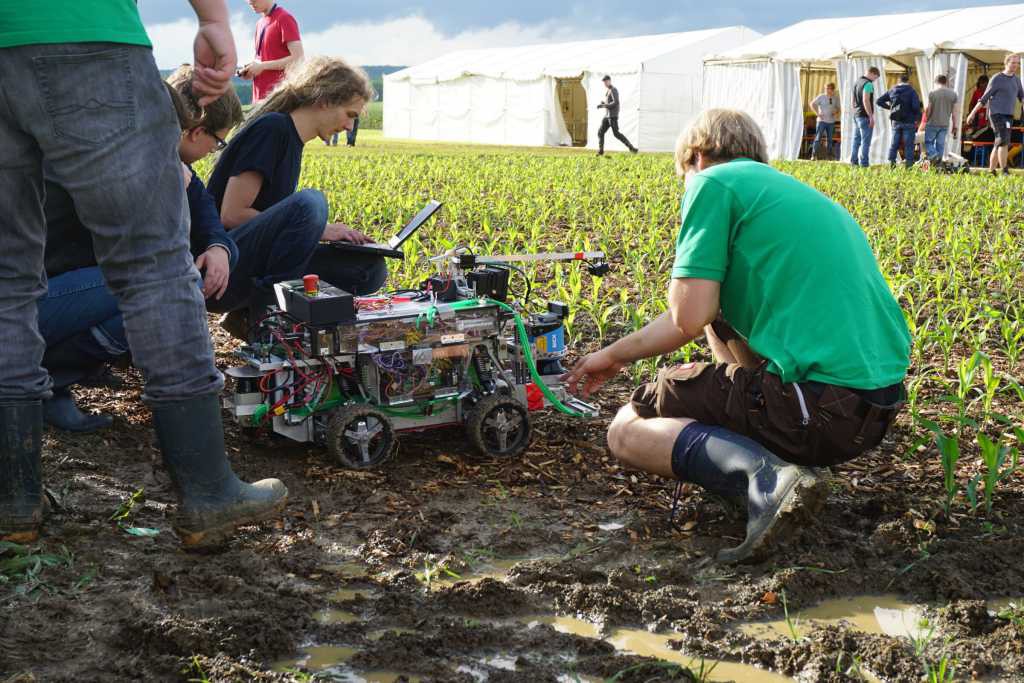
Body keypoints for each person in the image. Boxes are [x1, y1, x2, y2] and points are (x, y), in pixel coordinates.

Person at [563, 109, 910, 563]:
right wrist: (616, 354)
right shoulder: (792, 195)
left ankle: (766, 479)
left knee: (627, 427)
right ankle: (770, 462)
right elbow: (706, 316)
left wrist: (613, 357)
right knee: (721, 319)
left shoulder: (713, 183)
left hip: (815, 408)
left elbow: (687, 314)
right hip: (871, 411)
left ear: (698, 157)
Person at [0, 0, 287, 547]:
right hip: (84, 37)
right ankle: (207, 492)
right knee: (154, 267)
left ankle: (12, 503)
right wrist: (213, 21)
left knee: (5, 279)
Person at [39, 68, 246, 433]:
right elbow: (145, 246)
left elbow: (204, 215)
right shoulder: (77, 163)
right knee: (159, 284)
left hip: (59, 292)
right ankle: (44, 379)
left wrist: (217, 247)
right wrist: (163, 191)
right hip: (30, 300)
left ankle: (58, 377)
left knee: (166, 284)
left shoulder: (154, 165)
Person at [207, 56, 387, 334]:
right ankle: (268, 318)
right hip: (221, 268)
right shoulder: (273, 130)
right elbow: (231, 214)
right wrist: (319, 228)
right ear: (324, 100)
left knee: (368, 269)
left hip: (249, 260)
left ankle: (244, 316)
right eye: (350, 115)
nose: (350, 128)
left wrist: (321, 231)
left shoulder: (293, 140)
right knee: (311, 203)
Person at [966, 54, 1023, 175]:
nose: (1015, 65)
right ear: (1006, 63)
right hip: (996, 114)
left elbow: (1022, 98)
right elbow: (984, 98)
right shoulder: (997, 78)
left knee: (1000, 142)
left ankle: (991, 171)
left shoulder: (1017, 80)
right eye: (1013, 63)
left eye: (1017, 63)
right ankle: (1004, 170)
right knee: (1003, 140)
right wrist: (972, 114)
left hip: (1008, 115)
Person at [239, 0, 304, 102]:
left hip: (279, 99)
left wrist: (262, 66)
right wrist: (252, 69)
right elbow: (263, 58)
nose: (250, 2)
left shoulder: (284, 18)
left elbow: (298, 59)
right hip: (259, 100)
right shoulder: (259, 23)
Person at [877, 74, 922, 168]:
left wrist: (891, 108)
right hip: (909, 121)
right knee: (909, 144)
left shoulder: (892, 90)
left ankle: (891, 164)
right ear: (908, 81)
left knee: (894, 143)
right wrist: (917, 117)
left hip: (896, 121)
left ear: (899, 81)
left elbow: (879, 101)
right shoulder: (912, 91)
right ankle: (909, 166)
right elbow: (916, 107)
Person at [596, 75, 638, 155]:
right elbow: (610, 103)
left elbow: (616, 102)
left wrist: (604, 105)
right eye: (604, 82)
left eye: (606, 81)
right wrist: (604, 103)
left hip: (612, 116)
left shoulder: (613, 90)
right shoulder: (608, 90)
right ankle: (600, 151)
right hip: (607, 116)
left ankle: (632, 148)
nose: (605, 83)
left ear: (609, 81)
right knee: (600, 132)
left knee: (616, 134)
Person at [923, 74, 960, 162]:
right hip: (945, 124)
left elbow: (929, 109)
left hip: (932, 123)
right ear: (946, 82)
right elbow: (954, 113)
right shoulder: (953, 94)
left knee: (928, 143)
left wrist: (926, 120)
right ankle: (938, 164)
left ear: (936, 82)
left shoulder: (932, 93)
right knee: (940, 144)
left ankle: (934, 155)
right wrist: (955, 126)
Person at [850, 67, 880, 167]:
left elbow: (853, 100)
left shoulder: (857, 82)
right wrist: (870, 116)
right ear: (872, 73)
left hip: (857, 115)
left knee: (856, 140)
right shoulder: (868, 84)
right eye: (875, 78)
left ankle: (853, 162)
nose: (875, 80)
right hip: (865, 116)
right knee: (865, 142)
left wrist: (855, 111)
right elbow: (866, 100)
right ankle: (864, 164)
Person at [809, 83, 840, 160]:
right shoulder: (821, 96)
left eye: (829, 88)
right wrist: (817, 114)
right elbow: (812, 104)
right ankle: (814, 155)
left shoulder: (835, 98)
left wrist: (835, 112)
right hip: (821, 121)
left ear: (833, 90)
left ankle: (829, 156)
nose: (827, 90)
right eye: (826, 88)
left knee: (830, 139)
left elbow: (838, 108)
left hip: (831, 122)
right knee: (818, 138)